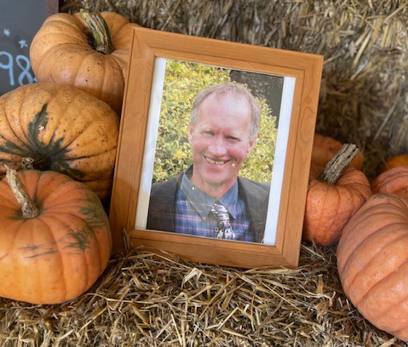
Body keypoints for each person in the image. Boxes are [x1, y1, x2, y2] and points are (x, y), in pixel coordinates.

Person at [146, 82, 270, 243]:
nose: (217, 150)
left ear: (250, 144)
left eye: (232, 137)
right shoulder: (148, 203)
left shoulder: (271, 205)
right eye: (208, 132)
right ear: (191, 133)